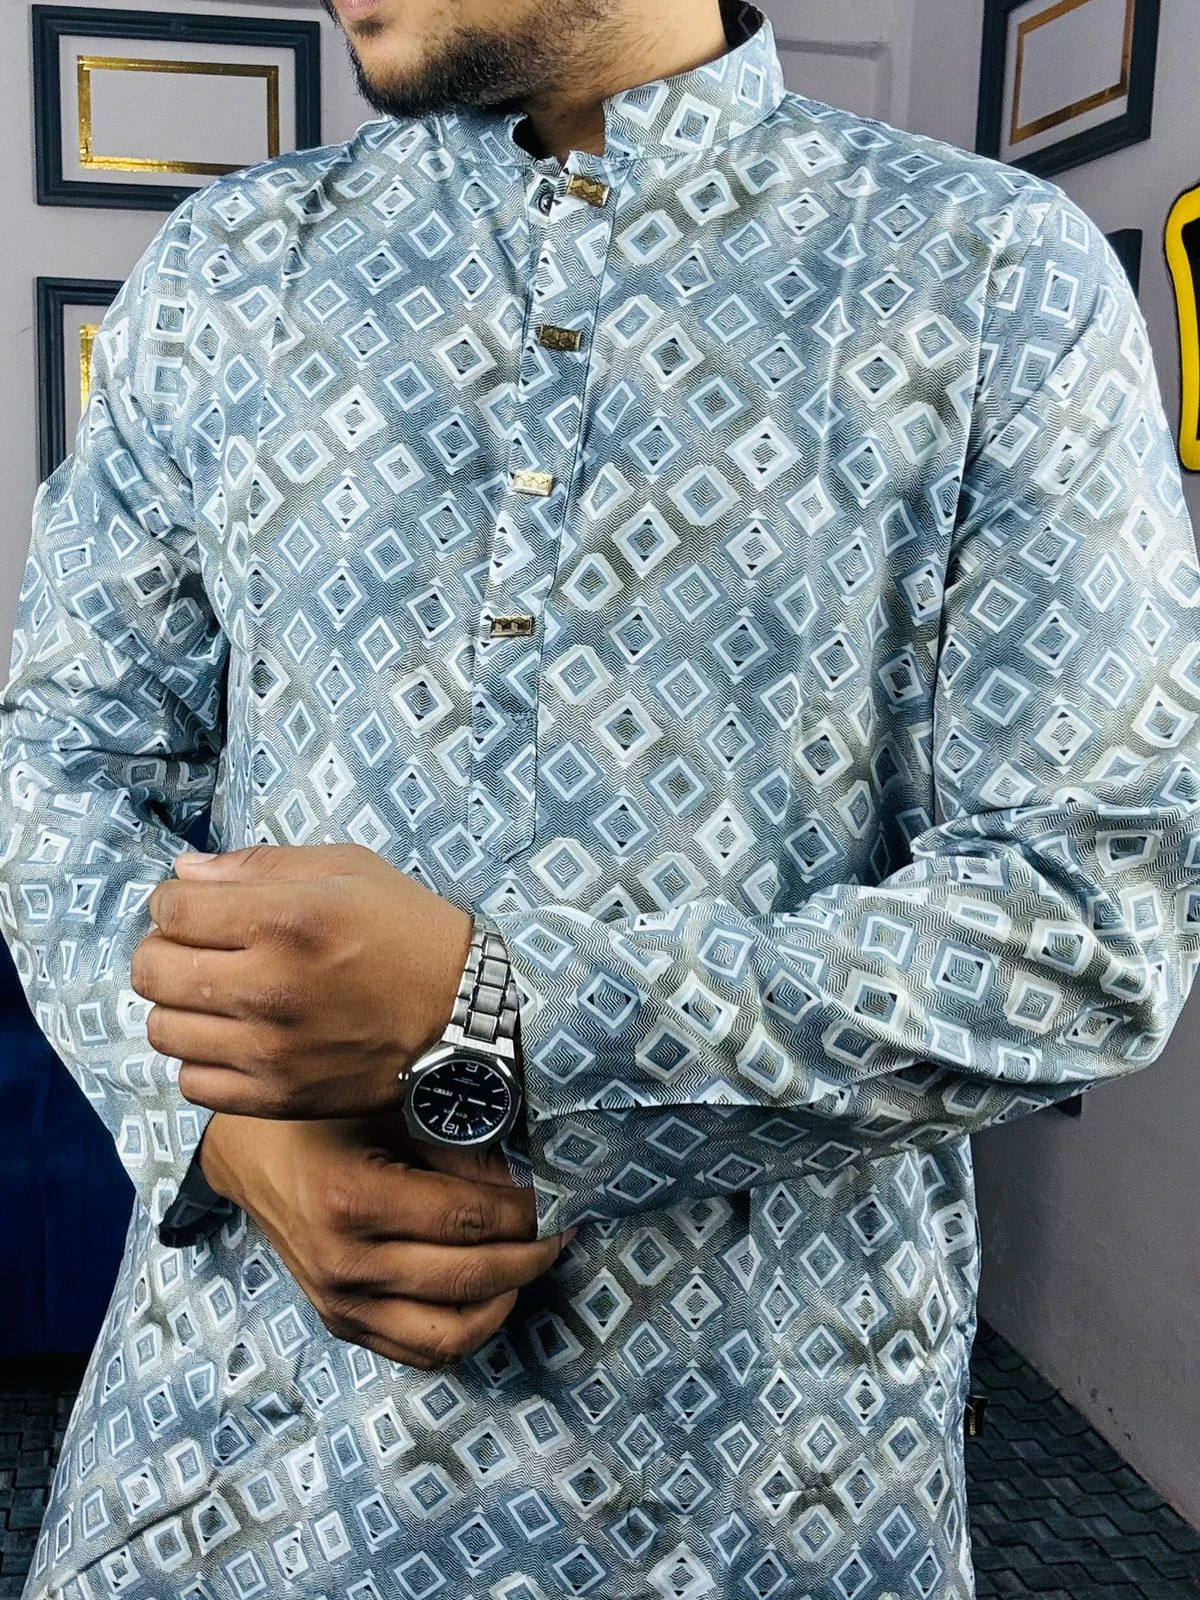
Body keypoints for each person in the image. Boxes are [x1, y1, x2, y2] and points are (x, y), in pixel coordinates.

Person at [3, 0, 1199, 1595]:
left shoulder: (995, 276)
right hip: (230, 1471)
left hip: (766, 1490)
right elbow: (66, 766)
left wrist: (493, 1010)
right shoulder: (224, 269)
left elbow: (1091, 919)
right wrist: (215, 1135)